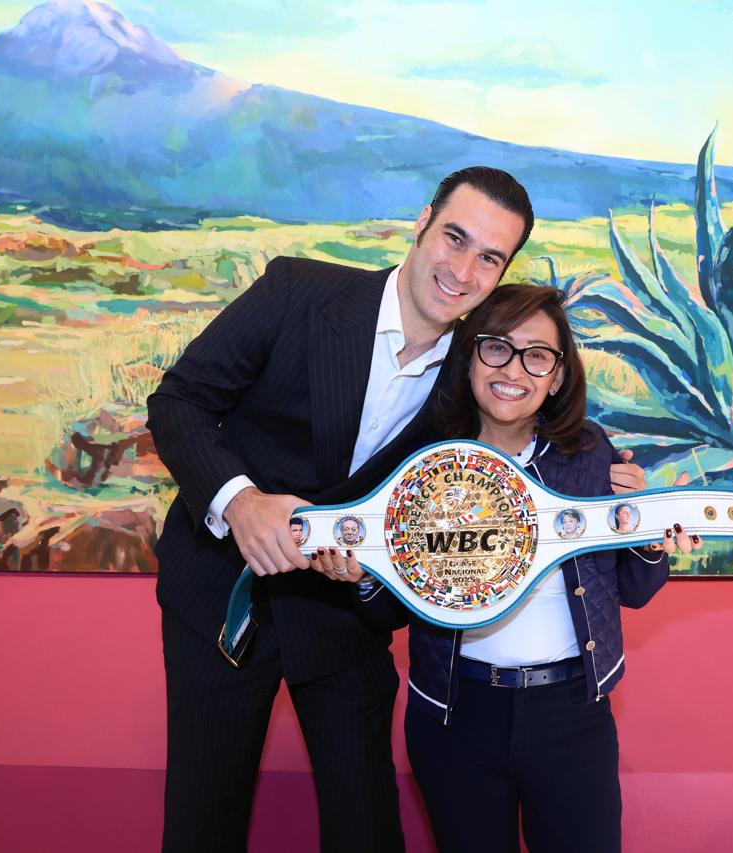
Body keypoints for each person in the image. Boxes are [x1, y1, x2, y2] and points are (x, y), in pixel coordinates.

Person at [146, 167, 647, 853]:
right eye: (455, 237)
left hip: (343, 621)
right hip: (221, 601)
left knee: (367, 830)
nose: (463, 268)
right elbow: (178, 401)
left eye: (490, 257)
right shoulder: (297, 291)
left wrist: (635, 517)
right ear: (421, 223)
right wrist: (242, 504)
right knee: (204, 824)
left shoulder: (474, 385)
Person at [316, 284, 701, 853]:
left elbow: (633, 589)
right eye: (497, 347)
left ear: (558, 376)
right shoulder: (424, 460)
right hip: (453, 716)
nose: (514, 369)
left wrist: (643, 533)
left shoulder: (590, 452)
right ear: (470, 355)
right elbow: (392, 613)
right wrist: (365, 577)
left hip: (572, 713)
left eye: (537, 355)